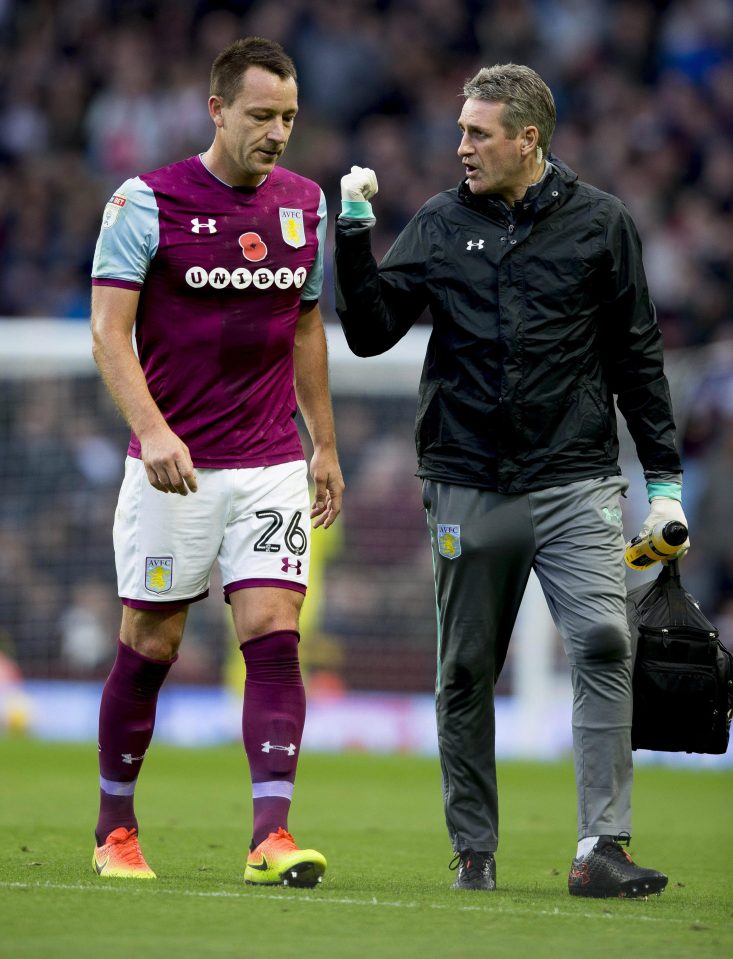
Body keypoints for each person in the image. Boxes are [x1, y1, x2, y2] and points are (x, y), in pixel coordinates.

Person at [334, 63, 689, 898]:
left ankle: (601, 843)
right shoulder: (436, 222)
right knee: (465, 670)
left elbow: (636, 357)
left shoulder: (602, 224)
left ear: (527, 139)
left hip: (576, 483)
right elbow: (371, 334)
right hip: (466, 482)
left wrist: (664, 479)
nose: (460, 147)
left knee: (604, 641)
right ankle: (473, 850)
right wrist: (353, 232)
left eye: (477, 133)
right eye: (461, 130)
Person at [90, 36, 343, 888]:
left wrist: (325, 444)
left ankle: (271, 835)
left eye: (290, 118)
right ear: (217, 110)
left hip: (270, 460)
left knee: (274, 633)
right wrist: (153, 430)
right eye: (261, 115)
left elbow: (305, 326)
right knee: (150, 642)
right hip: (177, 467)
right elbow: (107, 332)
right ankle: (114, 825)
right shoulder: (144, 201)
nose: (277, 132)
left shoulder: (305, 205)